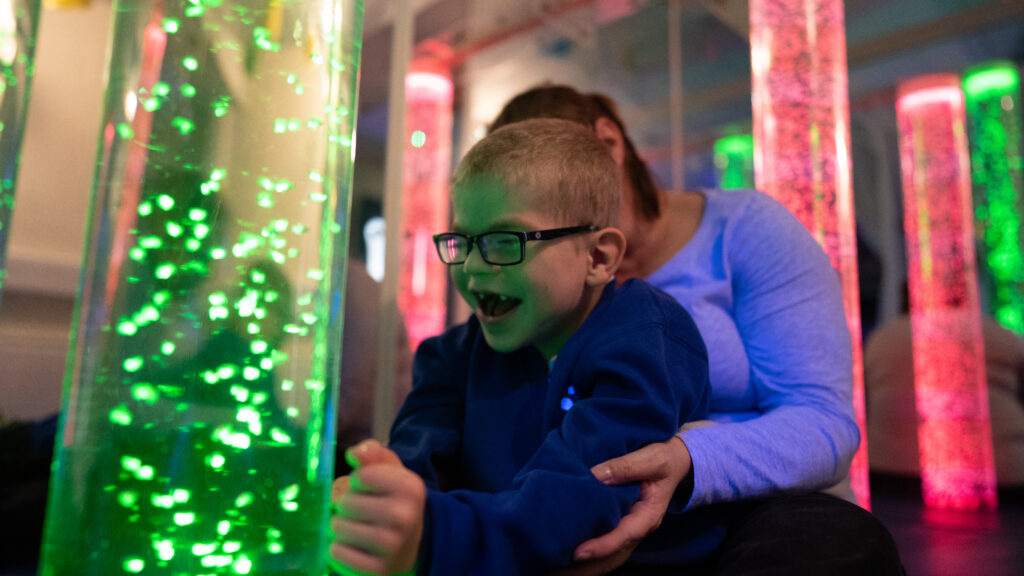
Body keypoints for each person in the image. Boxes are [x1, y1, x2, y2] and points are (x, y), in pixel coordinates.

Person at [487, 85, 903, 575]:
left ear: (608, 140)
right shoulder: (546, 285)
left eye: (552, 177)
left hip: (766, 511)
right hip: (605, 509)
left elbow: (823, 424)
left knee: (831, 551)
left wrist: (688, 459)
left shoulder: (747, 230)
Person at [330, 118, 717, 574]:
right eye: (462, 242)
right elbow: (418, 461)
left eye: (502, 241)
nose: (472, 269)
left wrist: (429, 534)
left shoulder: (647, 339)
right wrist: (380, 499)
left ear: (598, 257)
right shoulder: (452, 356)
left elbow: (579, 500)